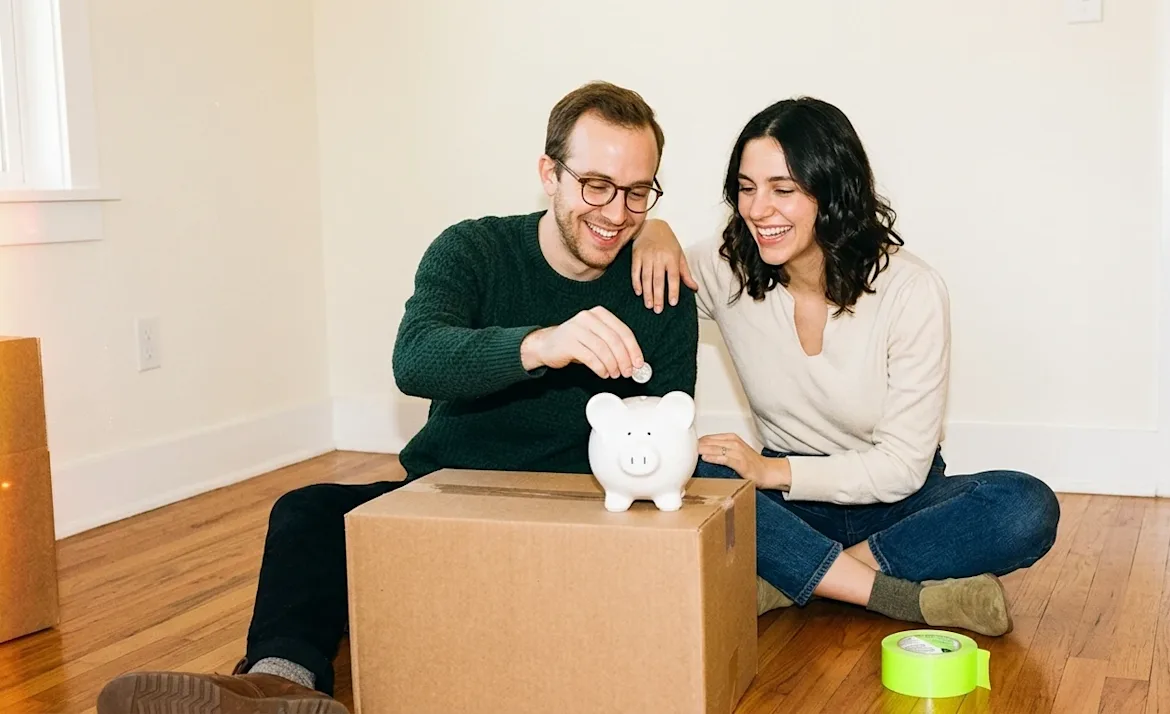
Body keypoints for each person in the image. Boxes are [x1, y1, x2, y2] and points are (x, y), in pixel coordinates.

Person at [95, 81, 699, 714]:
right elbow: (415, 358)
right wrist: (540, 345)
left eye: (638, 192)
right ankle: (280, 684)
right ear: (549, 174)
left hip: (576, 522)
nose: (616, 212)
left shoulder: (657, 284)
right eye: (596, 185)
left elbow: (669, 431)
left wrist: (657, 232)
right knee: (307, 513)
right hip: (447, 499)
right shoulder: (474, 251)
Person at [629, 96, 1060, 637]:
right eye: (746, 187)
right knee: (695, 468)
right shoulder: (727, 266)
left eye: (783, 189)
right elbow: (640, 282)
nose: (758, 209)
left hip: (896, 501)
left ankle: (796, 578)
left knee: (1025, 507)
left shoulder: (911, 290)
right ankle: (893, 593)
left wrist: (772, 472)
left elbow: (902, 466)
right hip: (789, 508)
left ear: (832, 190)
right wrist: (653, 230)